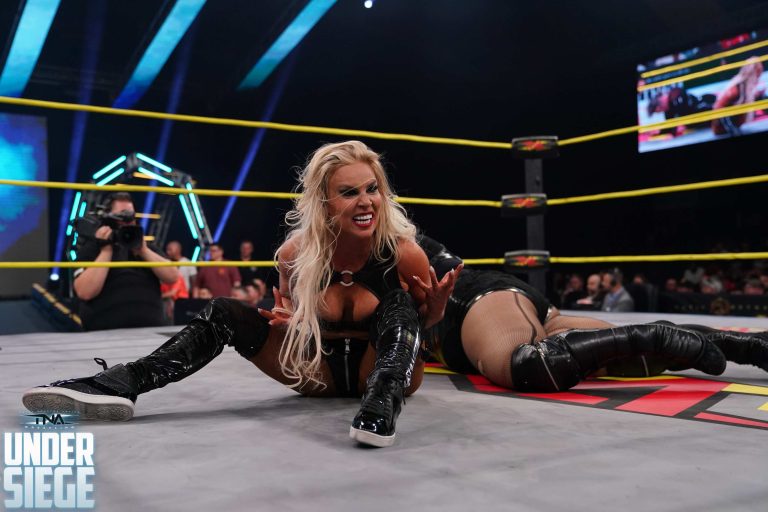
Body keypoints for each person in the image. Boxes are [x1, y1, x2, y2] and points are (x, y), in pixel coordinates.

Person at [22, 141, 458, 448]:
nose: (366, 202)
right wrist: (295, 322)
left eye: (372, 189)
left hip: (379, 375)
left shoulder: (404, 253)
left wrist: (432, 314)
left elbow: (415, 337)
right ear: (323, 202)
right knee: (224, 311)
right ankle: (121, 384)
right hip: (317, 373)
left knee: (399, 303)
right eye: (349, 192)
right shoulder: (295, 255)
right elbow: (292, 324)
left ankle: (380, 408)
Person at [418, 236, 768, 392]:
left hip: (478, 301)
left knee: (529, 365)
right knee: (616, 356)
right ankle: (749, 345)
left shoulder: (397, 245)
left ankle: (650, 335)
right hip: (510, 308)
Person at [73, 192, 179, 331]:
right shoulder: (92, 249)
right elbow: (84, 292)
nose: (128, 221)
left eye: (131, 216)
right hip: (105, 334)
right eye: (122, 215)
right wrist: (106, 252)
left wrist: (144, 251)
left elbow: (173, 277)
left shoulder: (146, 248)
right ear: (108, 219)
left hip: (151, 333)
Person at [712, 56, 765, 136]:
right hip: (724, 129)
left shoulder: (746, 87)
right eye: (758, 73)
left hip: (735, 125)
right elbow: (718, 107)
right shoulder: (736, 89)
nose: (759, 76)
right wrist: (732, 129)